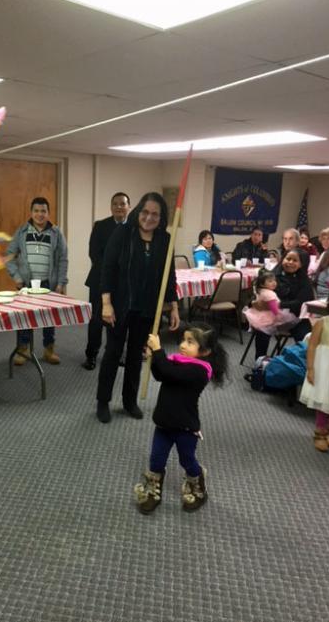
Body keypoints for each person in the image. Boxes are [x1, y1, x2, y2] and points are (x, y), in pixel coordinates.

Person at [95, 192, 180, 423]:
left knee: (136, 356)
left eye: (155, 214)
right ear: (138, 211)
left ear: (161, 217)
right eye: (145, 212)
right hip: (119, 307)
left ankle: (129, 401)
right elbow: (107, 269)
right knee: (112, 354)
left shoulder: (165, 240)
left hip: (146, 309)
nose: (148, 217)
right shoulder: (123, 233)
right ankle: (103, 402)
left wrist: (174, 307)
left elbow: (168, 276)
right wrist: (106, 304)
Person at [134, 323, 228, 514]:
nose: (183, 345)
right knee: (156, 460)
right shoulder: (176, 361)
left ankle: (198, 483)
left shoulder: (201, 371)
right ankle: (153, 491)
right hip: (163, 423)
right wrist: (154, 357)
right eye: (183, 340)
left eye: (190, 342)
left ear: (205, 351)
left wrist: (159, 350)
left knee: (187, 461)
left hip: (185, 428)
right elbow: (162, 374)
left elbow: (171, 373)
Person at [6, 197, 68, 365]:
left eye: (43, 211)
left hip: (49, 284)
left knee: (49, 319)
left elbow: (63, 259)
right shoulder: (22, 232)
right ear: (31, 213)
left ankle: (49, 350)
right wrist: (17, 278)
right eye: (36, 211)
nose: (40, 214)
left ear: (48, 213)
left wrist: (61, 283)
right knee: (24, 318)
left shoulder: (56, 233)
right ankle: (22, 350)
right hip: (26, 284)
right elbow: (9, 256)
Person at [82, 192, 131, 370]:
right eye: (115, 204)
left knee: (119, 321)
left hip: (123, 285)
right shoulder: (101, 226)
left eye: (123, 204)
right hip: (99, 281)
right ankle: (91, 355)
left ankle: (116, 353)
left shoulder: (134, 228)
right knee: (96, 320)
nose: (119, 207)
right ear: (111, 207)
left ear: (129, 207)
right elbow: (93, 253)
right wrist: (110, 271)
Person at [252, 249, 314, 359]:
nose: (290, 262)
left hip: (296, 316)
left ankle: (302, 365)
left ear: (301, 264)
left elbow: (301, 303)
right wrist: (256, 303)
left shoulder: (304, 280)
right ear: (283, 259)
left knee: (306, 338)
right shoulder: (272, 275)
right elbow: (260, 293)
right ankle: (260, 361)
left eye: (295, 260)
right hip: (271, 315)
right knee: (262, 329)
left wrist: (279, 305)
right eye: (288, 259)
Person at [299, 289, 329, 452]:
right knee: (323, 400)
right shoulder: (323, 322)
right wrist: (311, 368)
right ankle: (320, 432)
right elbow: (312, 346)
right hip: (326, 368)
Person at [242, 269, 299, 335]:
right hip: (269, 314)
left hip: (259, 312)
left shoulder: (260, 290)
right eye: (270, 281)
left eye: (274, 280)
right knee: (286, 321)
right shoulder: (270, 294)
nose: (274, 282)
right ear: (262, 284)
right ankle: (280, 332)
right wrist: (278, 315)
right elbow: (273, 306)